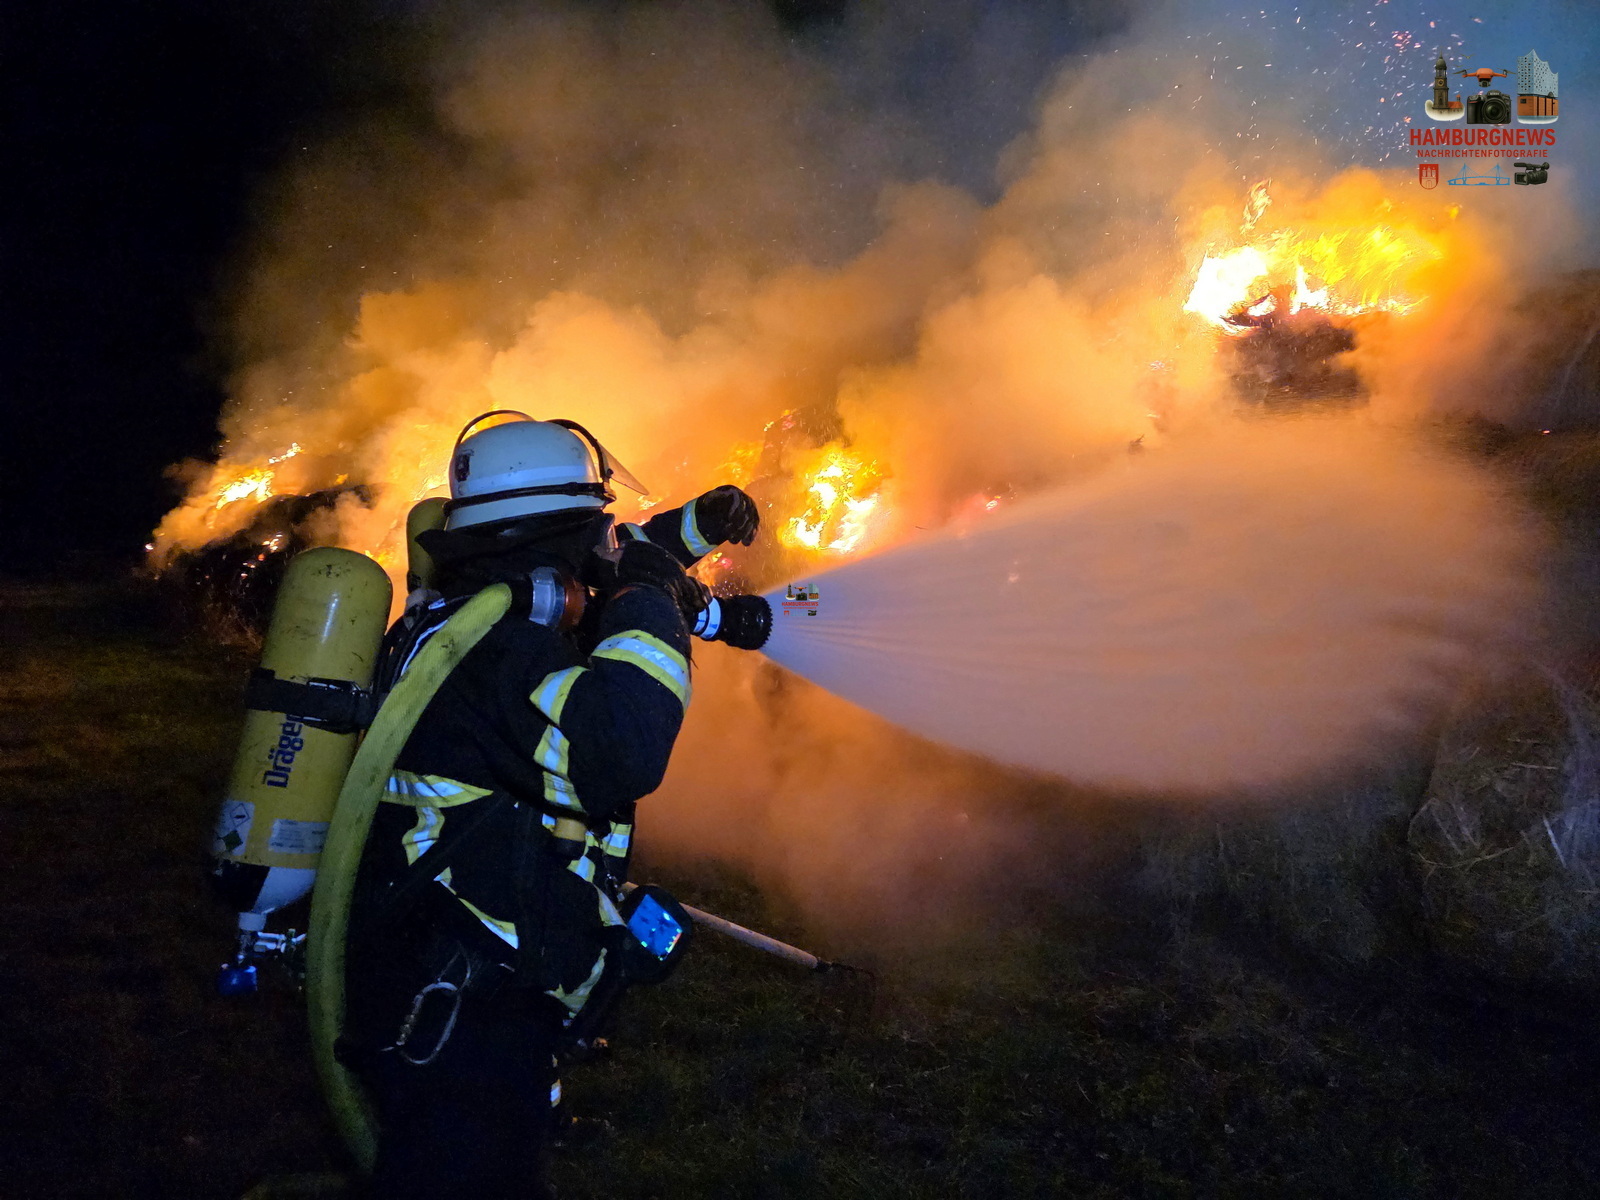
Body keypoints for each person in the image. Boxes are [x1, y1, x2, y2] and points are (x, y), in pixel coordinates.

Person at [342, 414, 759, 1198]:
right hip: (463, 1009)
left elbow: (612, 551)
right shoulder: (495, 652)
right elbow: (621, 746)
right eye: (592, 534)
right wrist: (648, 600)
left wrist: (699, 526)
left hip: (456, 973)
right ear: (548, 548)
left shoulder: (463, 620)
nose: (602, 557)